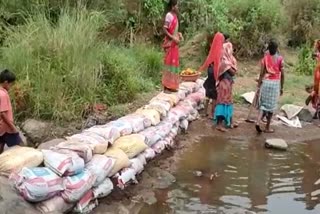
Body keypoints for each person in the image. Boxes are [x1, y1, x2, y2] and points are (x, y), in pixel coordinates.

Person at [256, 40, 285, 133]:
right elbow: (283, 74)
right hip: (275, 83)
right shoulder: (280, 59)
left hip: (266, 82)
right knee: (271, 107)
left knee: (263, 105)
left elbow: (261, 73)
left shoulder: (265, 58)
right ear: (276, 49)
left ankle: (257, 121)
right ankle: (267, 127)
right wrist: (282, 87)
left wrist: (259, 84)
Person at [214, 34, 238, 132]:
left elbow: (234, 71)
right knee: (222, 102)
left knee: (229, 102)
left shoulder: (228, 59)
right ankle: (219, 124)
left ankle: (230, 122)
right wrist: (232, 67)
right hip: (224, 84)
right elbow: (233, 72)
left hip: (228, 83)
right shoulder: (224, 61)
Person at [199, 32, 225, 119]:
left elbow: (208, 61)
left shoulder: (212, 49)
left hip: (210, 71)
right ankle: (212, 113)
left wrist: (201, 69)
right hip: (215, 72)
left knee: (208, 93)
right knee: (214, 95)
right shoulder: (221, 50)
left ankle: (205, 112)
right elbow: (219, 64)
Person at [162, 0, 183, 93]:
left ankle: (172, 86)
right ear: (173, 6)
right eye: (177, 6)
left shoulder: (175, 16)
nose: (178, 8)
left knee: (173, 65)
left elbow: (174, 31)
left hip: (175, 45)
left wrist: (179, 34)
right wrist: (173, 38)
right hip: (170, 44)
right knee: (168, 64)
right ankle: (166, 86)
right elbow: (165, 29)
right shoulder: (169, 16)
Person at [0, 69, 21, 154]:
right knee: (18, 145)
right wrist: (12, 127)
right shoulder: (3, 95)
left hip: (1, 127)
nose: (11, 86)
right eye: (11, 84)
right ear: (6, 82)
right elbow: (2, 113)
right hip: (6, 128)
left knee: (1, 144)